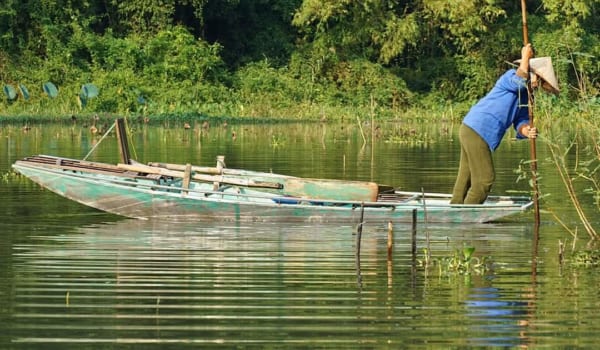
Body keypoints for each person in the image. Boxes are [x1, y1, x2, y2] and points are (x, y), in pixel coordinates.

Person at [450, 44, 559, 204]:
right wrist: (525, 59)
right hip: (476, 128)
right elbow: (518, 81)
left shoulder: (527, 96)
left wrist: (526, 130)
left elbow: (520, 121)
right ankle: (466, 217)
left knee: (465, 176)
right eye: (539, 79)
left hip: (472, 129)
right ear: (532, 74)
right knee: (485, 179)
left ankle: (456, 209)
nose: (538, 85)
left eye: (541, 82)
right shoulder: (510, 77)